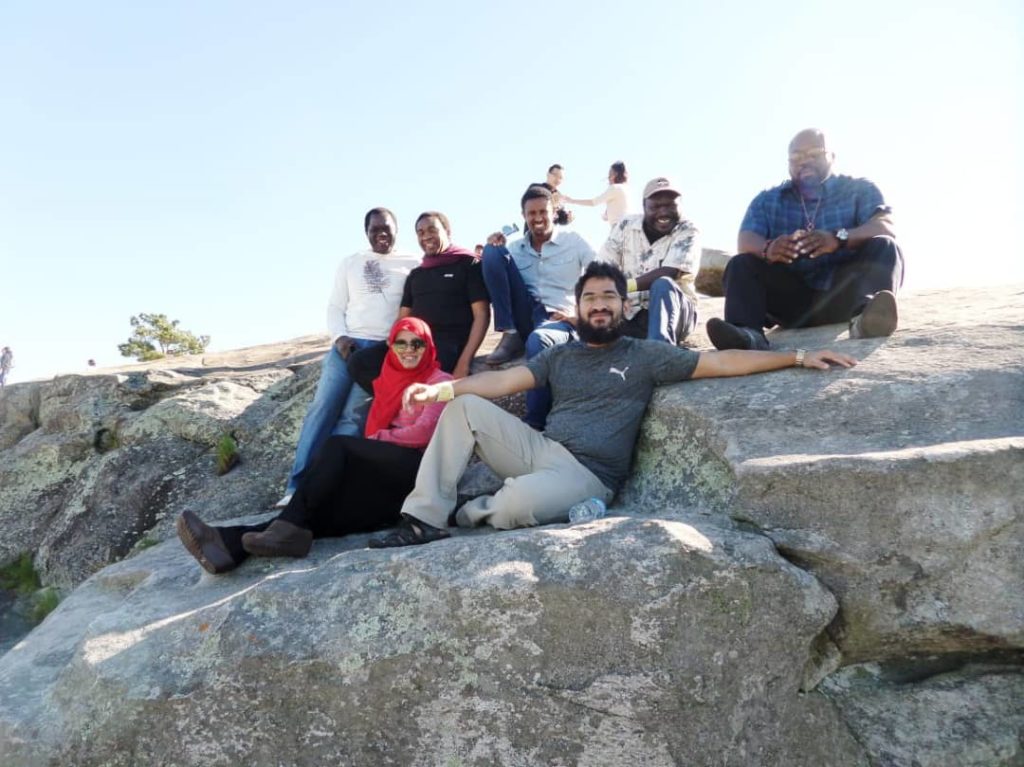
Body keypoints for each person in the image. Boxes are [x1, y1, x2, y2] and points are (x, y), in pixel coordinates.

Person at [368, 262, 856, 548]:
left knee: (515, 503)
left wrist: (795, 355)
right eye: (590, 298)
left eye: (609, 297)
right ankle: (425, 519)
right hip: (542, 450)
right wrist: (440, 391)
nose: (599, 305)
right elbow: (503, 381)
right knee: (462, 409)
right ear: (577, 309)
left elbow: (721, 362)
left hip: (588, 475)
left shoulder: (646, 356)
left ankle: (477, 510)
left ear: (624, 306)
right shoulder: (559, 355)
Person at [176, 318, 453, 573]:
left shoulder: (439, 381)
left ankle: (276, 530)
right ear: (390, 346)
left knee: (339, 446)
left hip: (417, 471)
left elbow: (423, 434)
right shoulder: (387, 382)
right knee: (316, 514)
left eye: (417, 343)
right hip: (392, 494)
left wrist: (373, 441)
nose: (409, 349)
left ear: (427, 347)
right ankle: (228, 547)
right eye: (400, 342)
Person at [707, 128, 904, 352]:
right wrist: (768, 248)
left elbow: (885, 226)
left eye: (814, 154)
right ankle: (747, 335)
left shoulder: (859, 190)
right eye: (796, 157)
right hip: (792, 302)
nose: (804, 161)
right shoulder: (768, 200)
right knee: (740, 263)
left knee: (885, 246)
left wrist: (839, 238)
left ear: (832, 156)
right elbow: (746, 240)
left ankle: (866, 320)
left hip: (846, 295)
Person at [275, 208, 419, 508]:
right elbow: (335, 307)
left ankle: (321, 489)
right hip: (347, 346)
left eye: (386, 228)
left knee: (352, 419)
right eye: (374, 229)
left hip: (380, 352)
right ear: (366, 232)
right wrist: (339, 338)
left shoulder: (411, 263)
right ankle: (295, 485)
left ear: (396, 229)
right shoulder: (350, 263)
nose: (381, 233)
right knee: (322, 409)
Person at [480, 185, 597, 429]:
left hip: (557, 317)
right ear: (524, 216)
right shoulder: (515, 248)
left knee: (538, 340)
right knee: (491, 251)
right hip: (524, 313)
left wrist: (582, 316)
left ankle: (535, 422)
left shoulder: (573, 241)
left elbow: (603, 275)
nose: (537, 218)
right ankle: (509, 333)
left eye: (542, 211)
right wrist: (495, 245)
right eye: (531, 213)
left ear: (553, 212)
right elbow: (497, 274)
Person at [345, 211, 490, 399]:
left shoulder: (468, 264)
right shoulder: (417, 274)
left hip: (447, 347)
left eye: (432, 230)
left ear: (447, 231)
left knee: (427, 378)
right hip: (413, 345)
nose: (426, 236)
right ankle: (399, 408)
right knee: (359, 362)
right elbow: (403, 317)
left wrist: (464, 363)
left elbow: (482, 315)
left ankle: (411, 408)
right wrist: (392, 344)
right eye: (420, 232)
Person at [597, 176, 700, 344]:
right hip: (630, 313)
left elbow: (670, 271)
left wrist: (623, 287)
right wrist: (613, 294)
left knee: (663, 284)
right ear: (644, 207)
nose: (663, 212)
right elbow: (603, 266)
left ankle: (660, 349)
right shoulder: (625, 225)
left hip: (676, 313)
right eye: (656, 206)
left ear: (680, 205)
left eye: (670, 205)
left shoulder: (688, 229)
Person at [562, 161, 631, 228]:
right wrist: (606, 215)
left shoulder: (614, 188)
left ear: (614, 175)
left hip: (619, 229)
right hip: (626, 227)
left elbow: (593, 202)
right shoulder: (625, 189)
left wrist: (572, 201)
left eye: (610, 174)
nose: (608, 178)